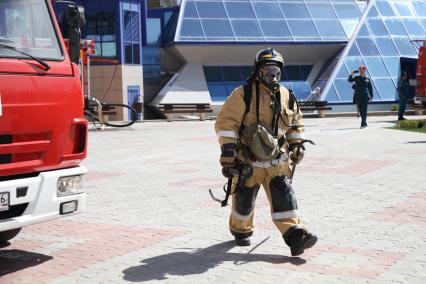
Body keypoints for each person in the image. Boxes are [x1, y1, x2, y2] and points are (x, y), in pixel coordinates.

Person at [214, 48, 317, 256]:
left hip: (277, 161)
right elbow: (226, 123)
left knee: (284, 197)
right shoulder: (243, 94)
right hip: (247, 161)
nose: (273, 73)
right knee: (243, 201)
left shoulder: (287, 96)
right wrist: (228, 151)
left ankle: (295, 235)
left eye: (276, 69)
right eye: (268, 68)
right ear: (258, 70)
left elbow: (295, 124)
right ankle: (240, 230)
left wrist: (297, 145)